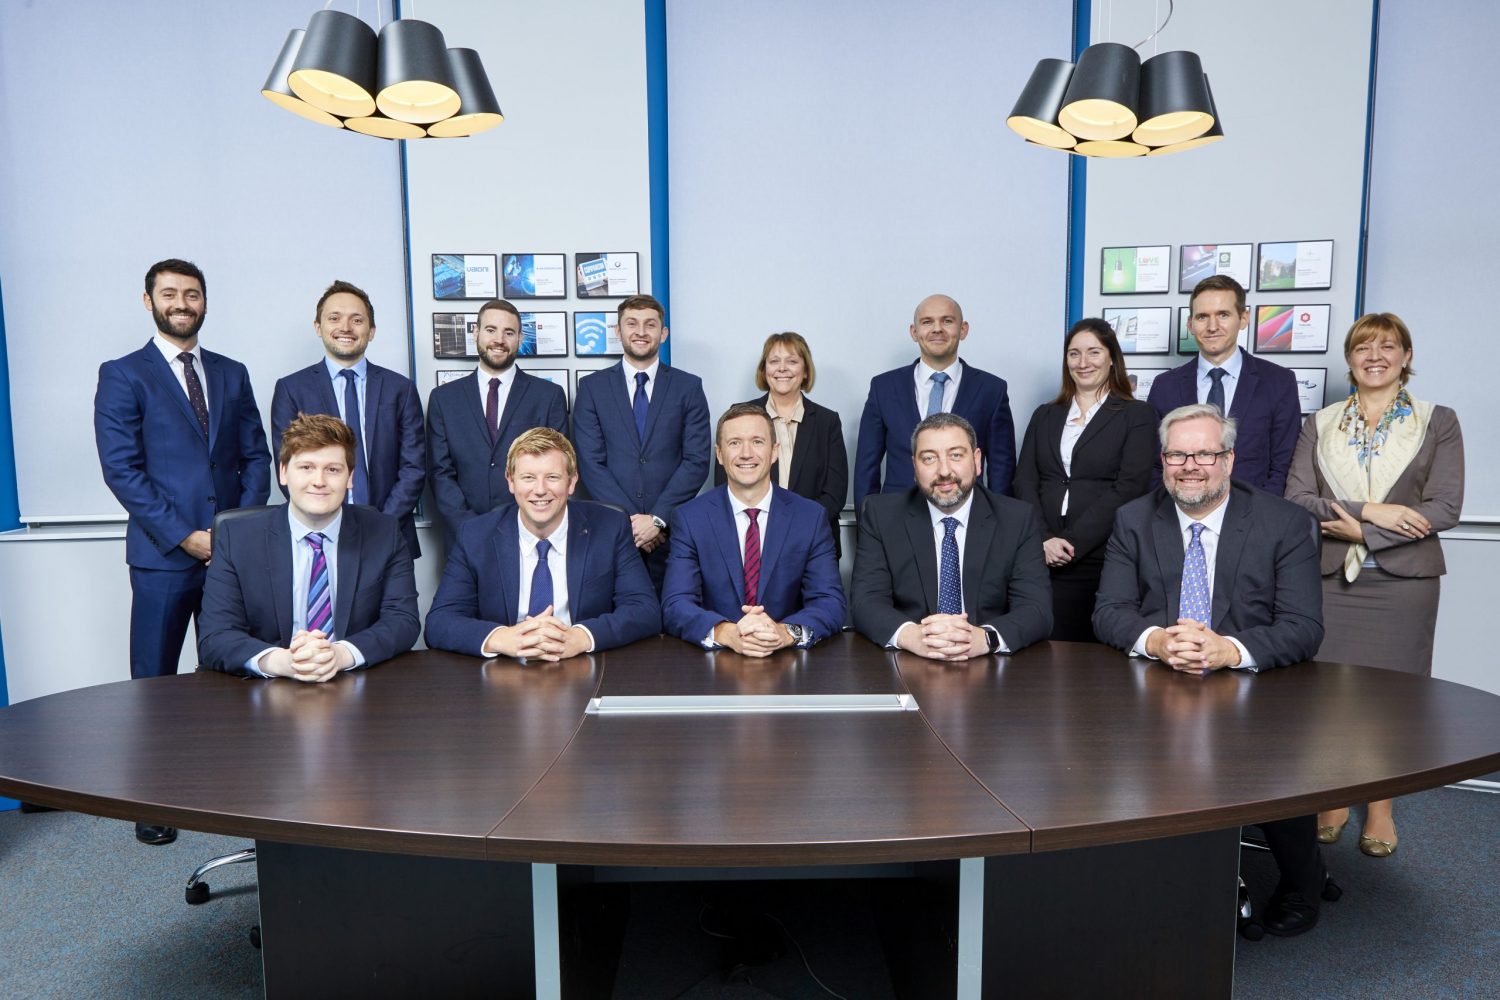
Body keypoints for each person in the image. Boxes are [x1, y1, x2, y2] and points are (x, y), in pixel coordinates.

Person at [1093, 404, 1328, 936]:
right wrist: (1156, 640)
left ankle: (1301, 881)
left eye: (1204, 453)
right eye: (1177, 454)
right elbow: (1108, 611)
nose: (1190, 465)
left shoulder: (1284, 523)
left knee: (1277, 769)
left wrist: (1228, 650)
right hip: (1157, 683)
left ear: (1228, 460)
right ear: (1163, 460)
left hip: (1252, 684)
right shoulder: (1134, 518)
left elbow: (1303, 626)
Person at [94, 258, 272, 845]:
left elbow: (256, 456)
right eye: (169, 293)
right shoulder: (123, 374)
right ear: (148, 301)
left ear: (204, 301)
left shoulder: (231, 371)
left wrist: (234, 528)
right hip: (162, 556)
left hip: (231, 554)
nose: (182, 302)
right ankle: (154, 800)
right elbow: (122, 470)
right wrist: (185, 535)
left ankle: (231, 794)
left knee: (232, 672)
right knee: (155, 682)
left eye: (191, 294)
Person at [1284, 313, 1464, 858]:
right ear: (1349, 359)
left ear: (1407, 356)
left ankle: (1381, 807)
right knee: (1327, 696)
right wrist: (1377, 509)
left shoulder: (1439, 421)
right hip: (1330, 580)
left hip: (1404, 584)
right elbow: (1296, 498)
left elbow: (1445, 506)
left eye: (1388, 346)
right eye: (1364, 348)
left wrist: (1363, 529)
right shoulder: (1321, 421)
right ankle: (1333, 796)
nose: (1376, 356)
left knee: (1394, 699)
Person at [198, 414, 419, 679]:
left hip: (355, 685)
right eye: (306, 467)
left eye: (333, 470)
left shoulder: (384, 532)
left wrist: (339, 655)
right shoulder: (238, 538)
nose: (319, 481)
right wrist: (283, 661)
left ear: (350, 477)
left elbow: (402, 620)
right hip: (265, 691)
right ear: (283, 472)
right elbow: (215, 636)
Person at [424, 428, 661, 658]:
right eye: (528, 477)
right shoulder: (476, 535)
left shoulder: (610, 527)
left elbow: (645, 610)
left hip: (584, 665)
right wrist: (502, 638)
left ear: (571, 482)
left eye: (552, 477)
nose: (540, 490)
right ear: (511, 481)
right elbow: (440, 622)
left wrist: (582, 637)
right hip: (504, 671)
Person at [851, 413, 1051, 659]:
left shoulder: (1016, 519)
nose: (944, 471)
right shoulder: (882, 515)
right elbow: (866, 602)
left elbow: (1037, 609)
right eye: (929, 458)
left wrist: (983, 638)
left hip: (989, 663)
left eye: (956, 455)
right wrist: (913, 636)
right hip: (909, 660)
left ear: (977, 461)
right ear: (914, 466)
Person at [1014, 318, 1156, 642]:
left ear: (1111, 358)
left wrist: (1071, 544)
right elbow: (1024, 480)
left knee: (1089, 657)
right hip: (1042, 553)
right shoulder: (1045, 415)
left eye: (1093, 352)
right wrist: (1043, 538)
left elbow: (1130, 487)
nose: (1083, 362)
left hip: (1101, 555)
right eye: (1074, 354)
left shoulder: (1137, 415)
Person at [664, 403, 847, 654]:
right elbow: (676, 603)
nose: (746, 453)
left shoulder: (810, 517)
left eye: (757, 442)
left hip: (789, 661)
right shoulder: (690, 518)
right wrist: (727, 632)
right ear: (719, 454)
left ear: (774, 452)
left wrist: (785, 632)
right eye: (735, 443)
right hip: (715, 663)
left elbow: (830, 602)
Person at [271, 280, 426, 557]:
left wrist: (382, 524)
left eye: (357, 320)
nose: (345, 327)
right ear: (318, 327)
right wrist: (324, 519)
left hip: (391, 534)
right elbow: (290, 466)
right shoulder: (291, 389)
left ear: (372, 330)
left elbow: (413, 467)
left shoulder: (400, 389)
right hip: (317, 534)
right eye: (334, 318)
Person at [571, 294, 711, 591]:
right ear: (618, 331)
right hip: (612, 532)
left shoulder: (689, 387)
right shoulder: (592, 388)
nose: (641, 331)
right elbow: (590, 462)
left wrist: (658, 519)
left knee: (673, 622)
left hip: (674, 534)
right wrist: (633, 522)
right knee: (619, 622)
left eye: (650, 324)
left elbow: (697, 460)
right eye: (631, 323)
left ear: (663, 333)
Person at [854, 294, 1016, 513]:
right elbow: (866, 466)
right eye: (927, 321)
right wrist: (868, 526)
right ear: (914, 332)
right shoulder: (883, 387)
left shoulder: (992, 390)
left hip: (967, 519)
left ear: (963, 329)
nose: (937, 328)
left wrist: (1000, 526)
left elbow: (1001, 470)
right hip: (896, 519)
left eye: (947, 321)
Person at [426, 298, 568, 540]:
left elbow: (556, 467)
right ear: (476, 333)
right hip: (463, 535)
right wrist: (469, 526)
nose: (499, 340)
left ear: (520, 339)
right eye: (491, 330)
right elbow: (440, 471)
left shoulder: (548, 396)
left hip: (529, 533)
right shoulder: (443, 398)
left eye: (509, 332)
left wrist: (524, 524)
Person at [1147, 276, 1300, 494]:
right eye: (1202, 317)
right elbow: (1155, 463)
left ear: (1243, 318)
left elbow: (1284, 464)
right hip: (1179, 513)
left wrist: (1263, 517)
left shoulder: (1278, 381)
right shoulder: (1165, 386)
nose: (1212, 326)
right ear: (1190, 324)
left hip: (1255, 515)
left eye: (1223, 315)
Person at [714, 332, 848, 557]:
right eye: (774, 361)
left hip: (813, 543)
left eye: (792, 361)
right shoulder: (739, 415)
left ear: (805, 370)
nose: (782, 368)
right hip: (752, 538)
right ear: (764, 370)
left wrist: (795, 527)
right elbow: (723, 483)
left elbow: (835, 494)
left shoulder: (827, 421)